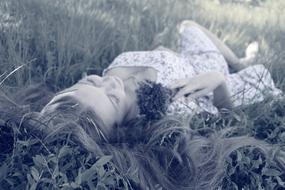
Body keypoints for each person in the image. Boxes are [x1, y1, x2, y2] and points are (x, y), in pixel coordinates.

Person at [41, 20, 282, 141]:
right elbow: (229, 118)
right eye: (113, 99)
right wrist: (219, 82)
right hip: (213, 76)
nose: (112, 83)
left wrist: (161, 54)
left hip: (189, 59)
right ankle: (240, 67)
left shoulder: (112, 75)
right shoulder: (165, 111)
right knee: (261, 76)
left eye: (90, 83)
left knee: (187, 25)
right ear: (119, 129)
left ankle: (239, 60)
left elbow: (152, 60)